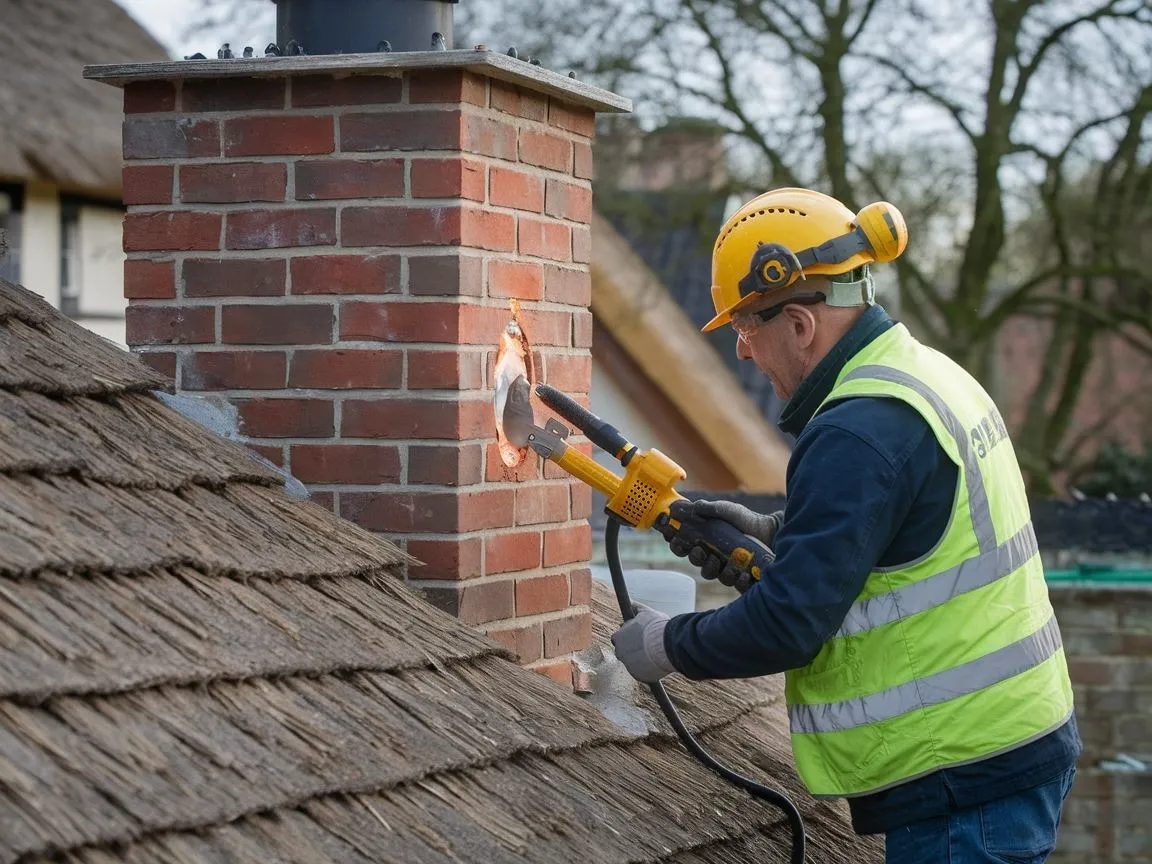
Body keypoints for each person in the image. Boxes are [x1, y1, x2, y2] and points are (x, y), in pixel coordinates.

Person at [610, 188, 1082, 864]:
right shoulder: (928, 376)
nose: (741, 351)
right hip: (1006, 744)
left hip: (961, 777)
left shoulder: (857, 430)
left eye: (745, 327)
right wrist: (776, 531)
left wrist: (665, 645)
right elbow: (908, 526)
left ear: (800, 324)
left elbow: (788, 625)